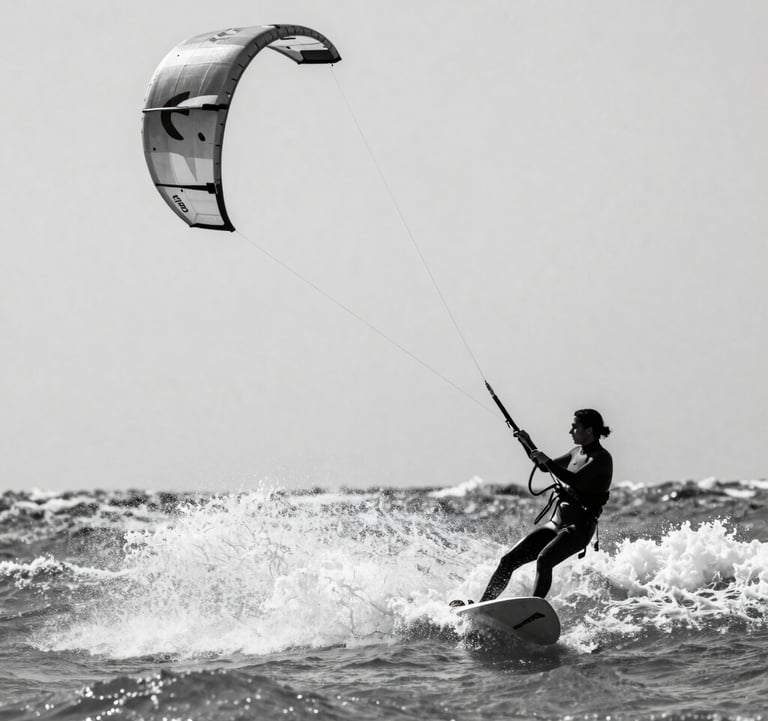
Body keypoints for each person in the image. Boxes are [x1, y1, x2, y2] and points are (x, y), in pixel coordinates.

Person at [451, 409, 612, 606]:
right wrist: (527, 443)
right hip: (557, 522)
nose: (570, 431)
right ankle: (482, 605)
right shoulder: (575, 453)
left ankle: (534, 610)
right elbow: (544, 466)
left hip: (578, 529)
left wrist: (549, 462)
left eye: (575, 427)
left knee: (544, 560)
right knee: (508, 560)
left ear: (588, 430)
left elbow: (575, 480)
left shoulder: (602, 459)